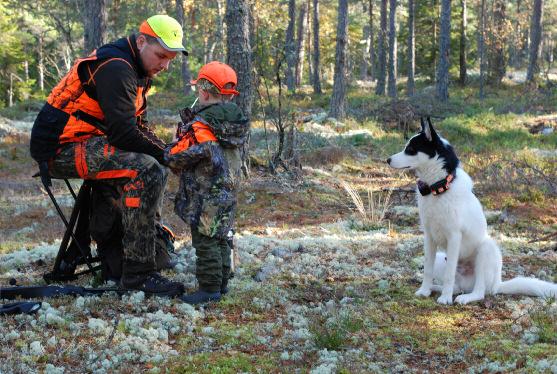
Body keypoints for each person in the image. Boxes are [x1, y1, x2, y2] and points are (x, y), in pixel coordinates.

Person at [30, 15, 186, 297]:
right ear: (141, 42)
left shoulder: (137, 69)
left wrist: (169, 152)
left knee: (154, 165)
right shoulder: (117, 68)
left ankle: (128, 256)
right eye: (161, 55)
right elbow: (123, 135)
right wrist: (166, 156)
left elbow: (138, 126)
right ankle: (138, 275)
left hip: (86, 140)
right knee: (148, 169)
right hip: (59, 148)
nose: (165, 65)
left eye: (171, 59)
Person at [165, 61, 249, 304]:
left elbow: (175, 158)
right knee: (221, 236)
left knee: (205, 241)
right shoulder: (235, 123)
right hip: (227, 191)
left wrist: (172, 144)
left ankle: (209, 288)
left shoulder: (201, 127)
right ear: (230, 93)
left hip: (205, 193)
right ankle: (221, 284)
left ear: (203, 92)